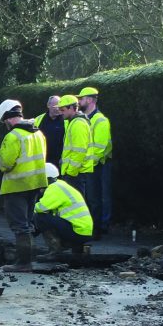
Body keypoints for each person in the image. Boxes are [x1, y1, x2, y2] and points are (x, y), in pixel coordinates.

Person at [0, 99, 48, 271]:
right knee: (27, 223)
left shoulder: (13, 136)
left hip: (16, 186)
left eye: (4, 122)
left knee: (19, 225)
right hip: (35, 184)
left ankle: (23, 263)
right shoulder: (38, 133)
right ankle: (28, 261)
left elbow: (6, 164)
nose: (5, 125)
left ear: (8, 118)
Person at [34, 162, 93, 256]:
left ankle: (55, 250)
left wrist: (29, 212)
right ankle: (68, 246)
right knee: (46, 218)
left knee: (40, 217)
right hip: (83, 231)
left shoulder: (54, 188)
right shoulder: (62, 185)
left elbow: (41, 208)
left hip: (77, 231)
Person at [78, 86, 112, 236]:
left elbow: (99, 148)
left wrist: (86, 164)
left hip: (98, 165)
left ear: (90, 100)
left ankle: (98, 228)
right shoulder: (83, 120)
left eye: (81, 99)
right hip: (87, 165)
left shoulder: (100, 120)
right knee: (91, 197)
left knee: (96, 198)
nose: (79, 101)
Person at [57, 94, 93, 197]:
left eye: (62, 110)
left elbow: (79, 152)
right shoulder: (74, 122)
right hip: (75, 172)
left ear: (72, 108)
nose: (60, 112)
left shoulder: (78, 124)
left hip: (76, 174)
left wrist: (70, 173)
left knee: (75, 204)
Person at [34, 95, 64, 167]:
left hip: (59, 160)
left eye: (59, 106)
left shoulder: (65, 120)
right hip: (43, 159)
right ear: (48, 105)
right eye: (55, 106)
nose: (57, 109)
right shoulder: (39, 119)